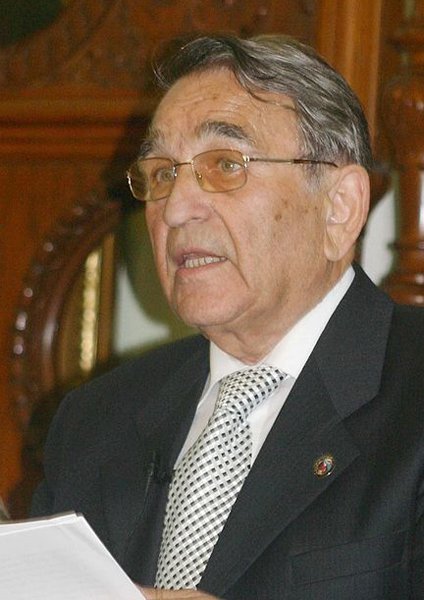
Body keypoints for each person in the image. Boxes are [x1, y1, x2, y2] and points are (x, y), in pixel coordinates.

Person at [31, 34, 424, 599]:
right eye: (162, 173)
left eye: (224, 165)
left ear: (339, 208)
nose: (176, 207)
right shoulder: (94, 423)